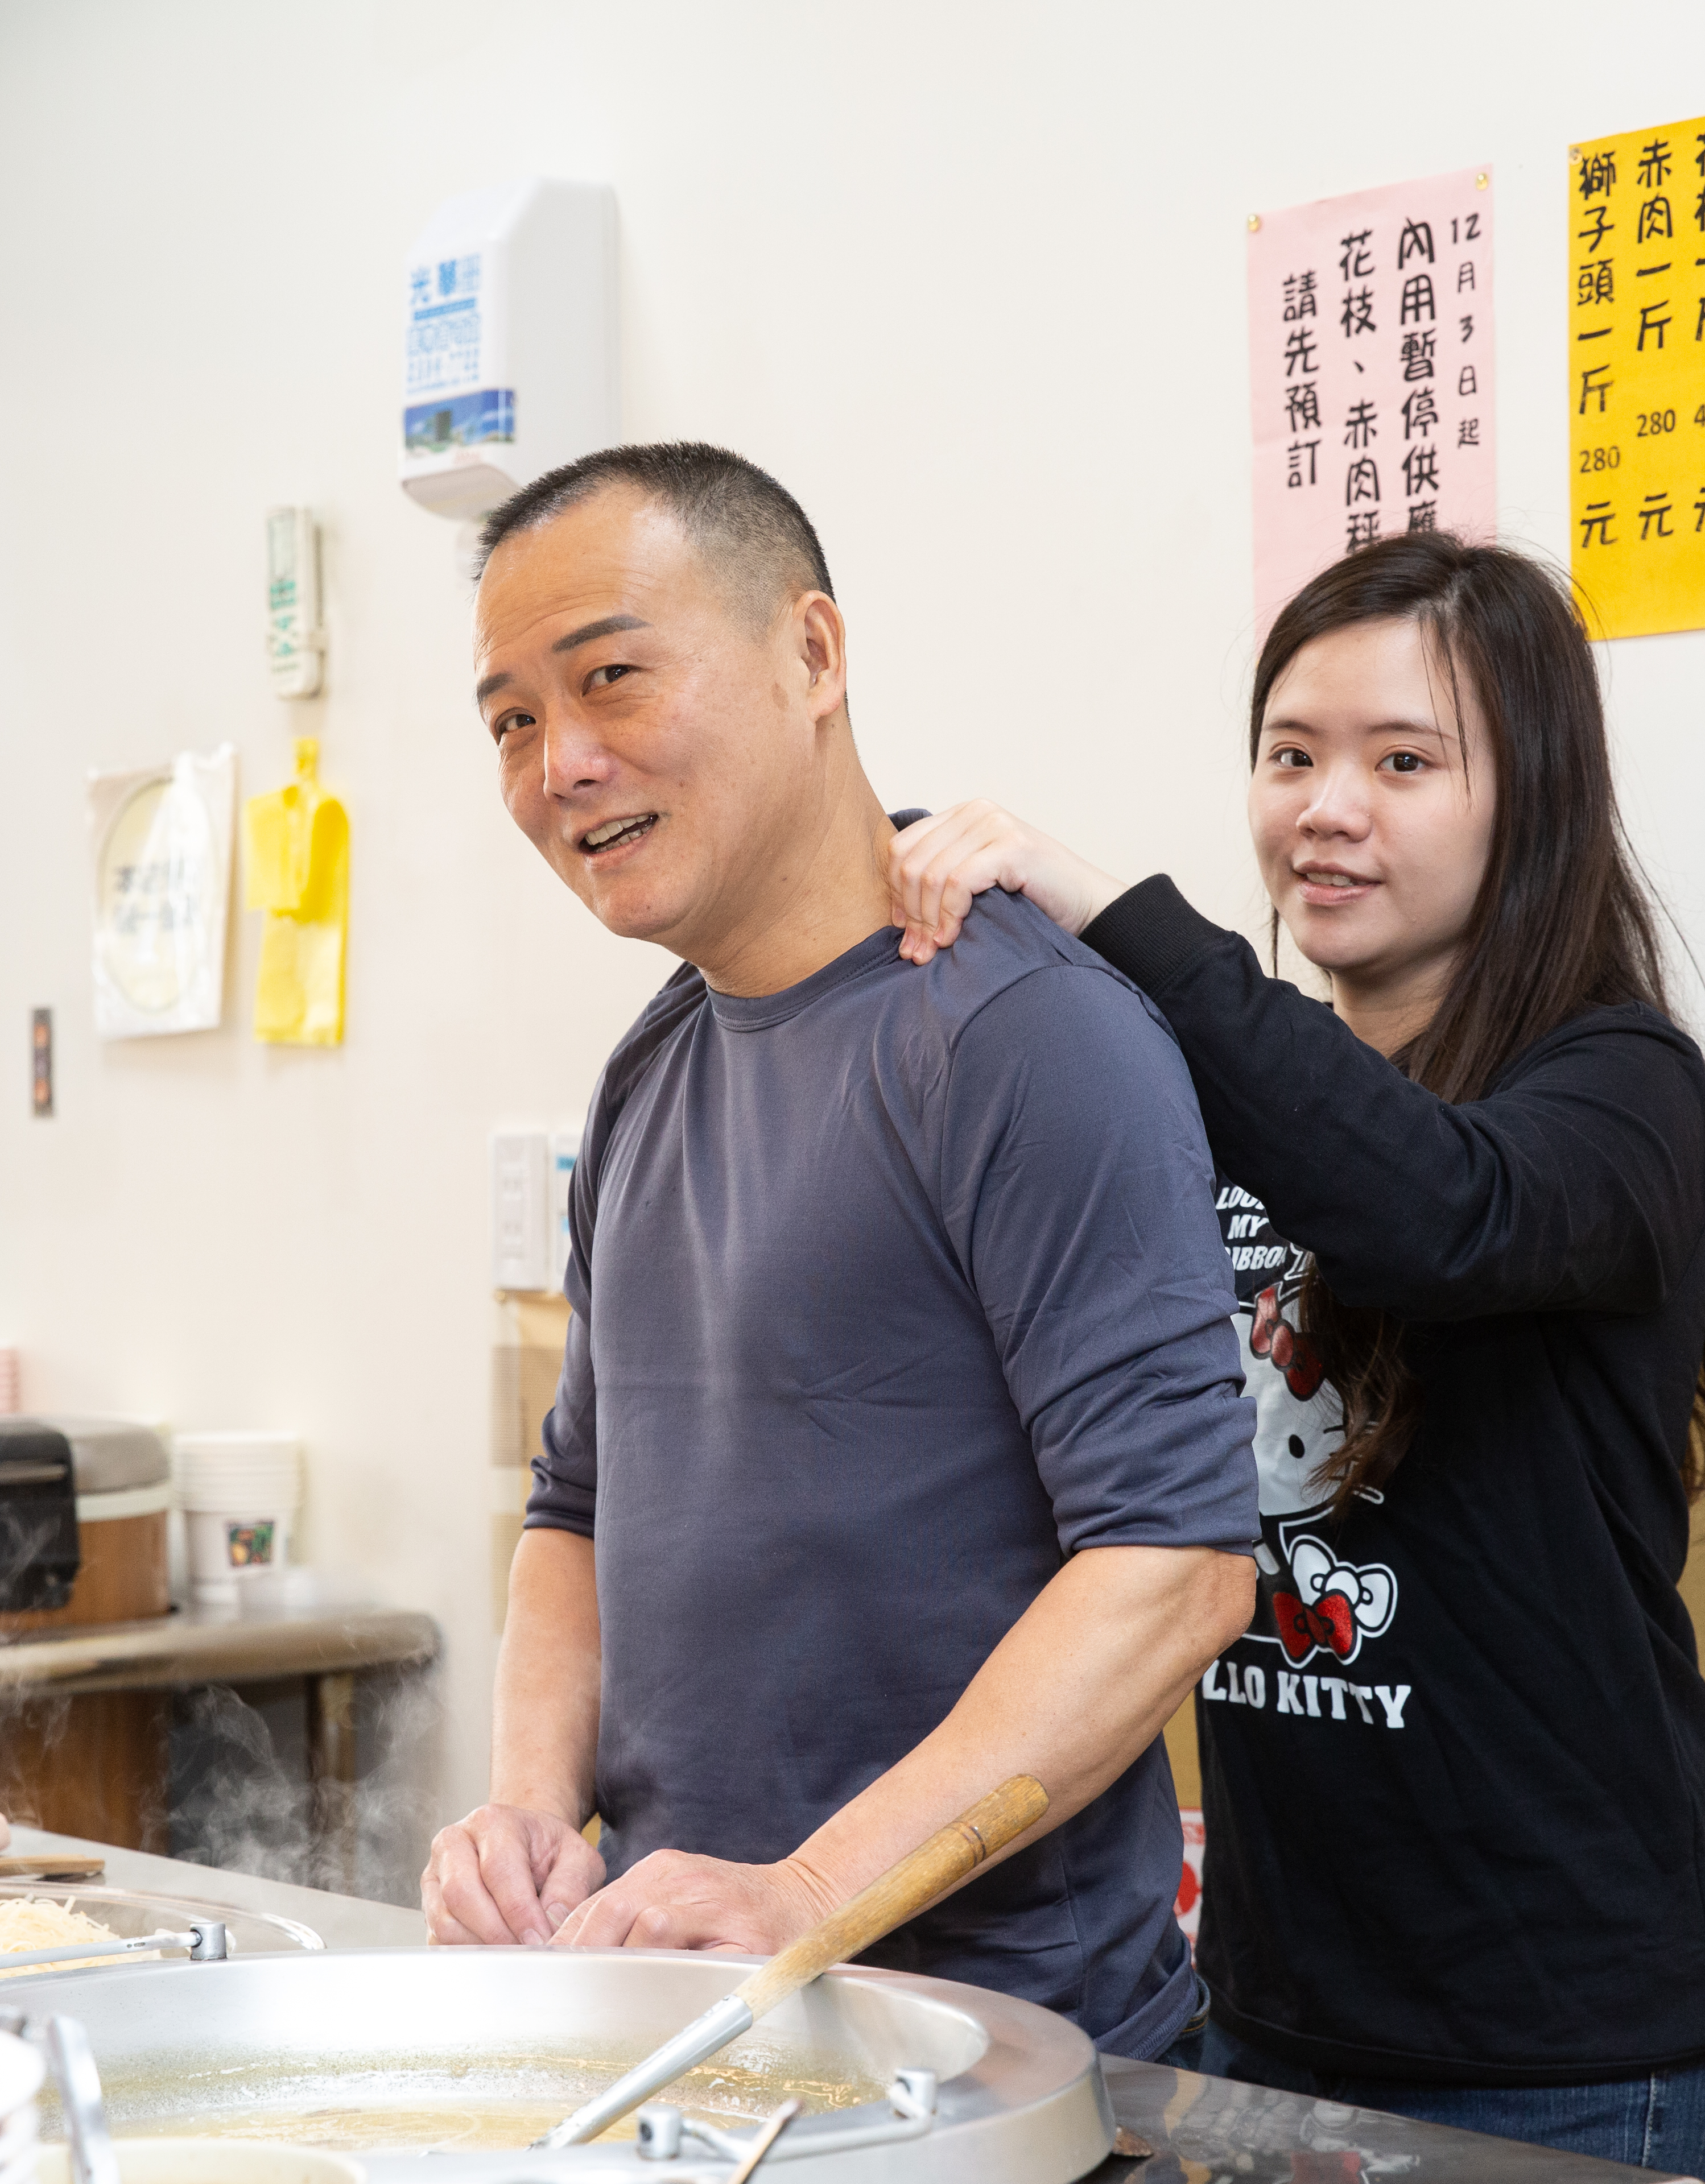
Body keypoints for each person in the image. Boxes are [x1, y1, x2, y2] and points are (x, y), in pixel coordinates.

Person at [882, 532, 1705, 2182]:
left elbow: (1432, 1216)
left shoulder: (1627, 1091)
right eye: (1290, 755)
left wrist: (1117, 921)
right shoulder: (1208, 1096)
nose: (1327, 808)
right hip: (1266, 2016)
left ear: (1535, 798)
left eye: (1404, 761)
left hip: (1569, 2052)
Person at [418, 442, 1258, 2059]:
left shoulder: (1022, 1038)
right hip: (689, 2035)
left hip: (995, 2054)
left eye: (611, 681)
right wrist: (530, 1806)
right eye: (514, 721)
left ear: (814, 655)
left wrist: (811, 1889)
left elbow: (1175, 1570)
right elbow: (575, 1510)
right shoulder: (653, 1069)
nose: (562, 764)